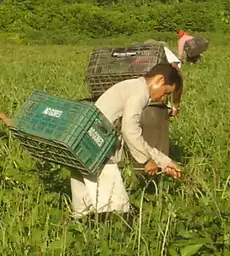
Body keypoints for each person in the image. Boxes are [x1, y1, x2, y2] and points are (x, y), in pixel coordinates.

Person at [72, 63, 185, 218]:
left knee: (84, 205)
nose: (162, 98)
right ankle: (111, 232)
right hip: (97, 146)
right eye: (165, 92)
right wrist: (146, 160)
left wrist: (164, 161)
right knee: (117, 208)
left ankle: (82, 227)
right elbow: (130, 130)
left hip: (82, 140)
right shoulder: (140, 93)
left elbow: (133, 135)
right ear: (159, 80)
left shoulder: (132, 86)